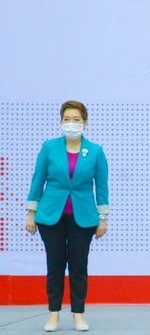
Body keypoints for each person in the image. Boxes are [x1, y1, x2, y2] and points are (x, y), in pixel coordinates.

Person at [24, 100, 109, 332]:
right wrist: (31, 213)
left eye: (76, 119)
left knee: (79, 266)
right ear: (61, 122)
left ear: (85, 123)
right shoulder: (49, 147)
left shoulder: (95, 151)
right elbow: (38, 180)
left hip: (83, 217)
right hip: (51, 216)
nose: (71, 123)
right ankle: (53, 314)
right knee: (55, 265)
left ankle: (78, 314)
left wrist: (103, 218)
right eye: (67, 119)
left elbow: (102, 187)